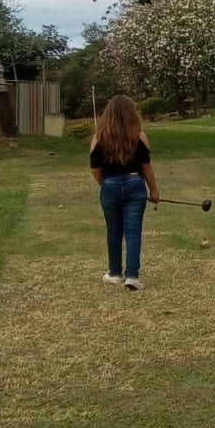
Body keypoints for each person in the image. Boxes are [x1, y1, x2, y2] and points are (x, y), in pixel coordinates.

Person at [90, 94, 160, 291]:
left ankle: (114, 273)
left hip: (110, 185)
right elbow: (146, 167)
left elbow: (95, 169)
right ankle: (132, 276)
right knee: (133, 232)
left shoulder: (99, 137)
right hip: (135, 184)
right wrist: (154, 190)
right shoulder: (139, 136)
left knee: (114, 230)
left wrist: (106, 184)